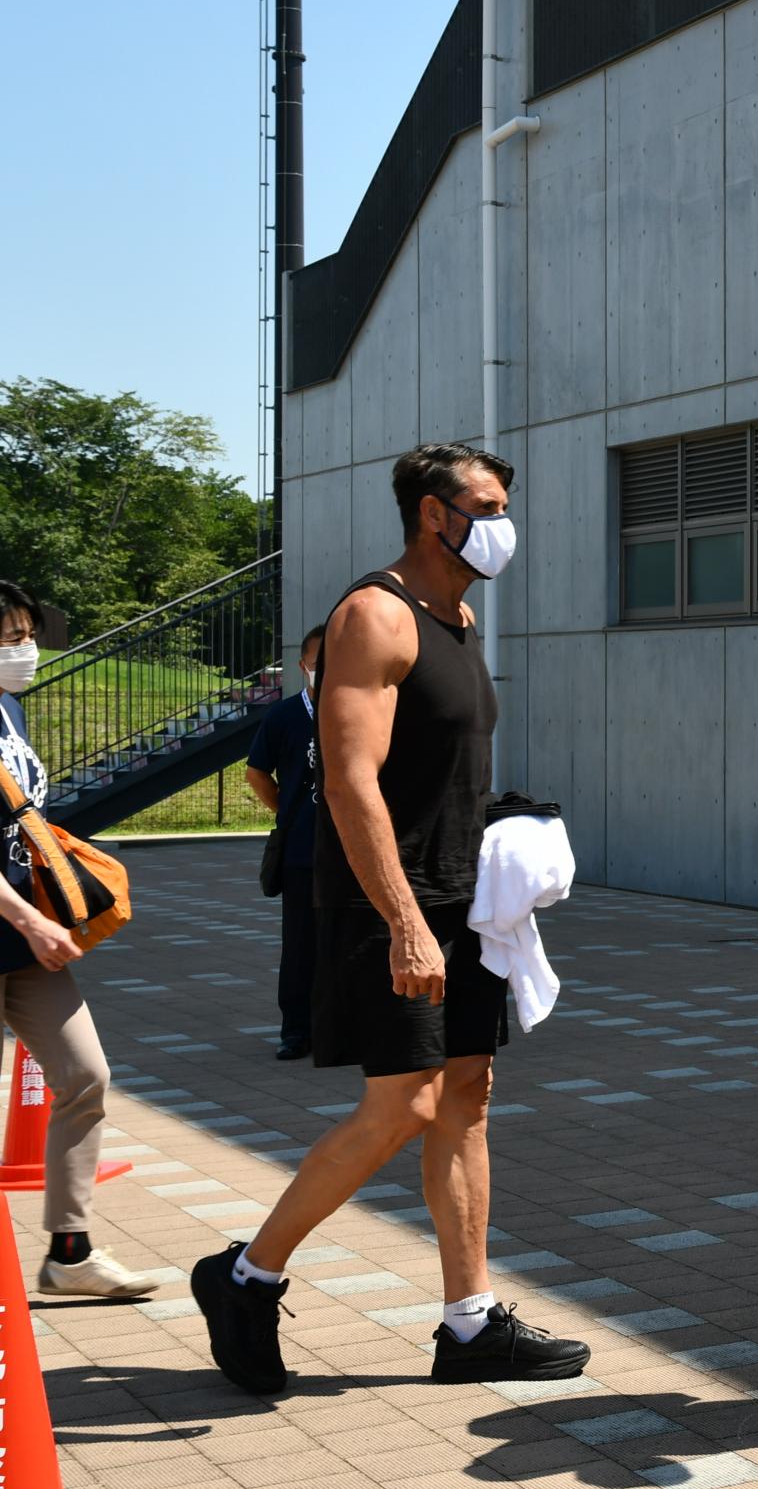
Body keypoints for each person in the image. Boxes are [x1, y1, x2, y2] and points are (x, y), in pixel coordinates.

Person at [193, 443, 589, 1392]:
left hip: (462, 898)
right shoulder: (376, 615)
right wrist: (406, 919)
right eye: (485, 506)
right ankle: (244, 1277)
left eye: (503, 504)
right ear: (431, 513)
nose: (501, 524)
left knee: (466, 1098)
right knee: (402, 1103)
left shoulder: (459, 617)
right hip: (390, 902)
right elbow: (349, 781)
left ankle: (470, 1323)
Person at [0, 580, 157, 1301]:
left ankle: (70, 1249)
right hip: (20, 927)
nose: (23, 649)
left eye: (26, 633)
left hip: (20, 941)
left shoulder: (9, 707)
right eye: (7, 637)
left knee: (84, 1076)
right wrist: (30, 917)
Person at [246, 625, 327, 1062]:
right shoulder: (284, 716)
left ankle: (344, 1025)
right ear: (303, 666)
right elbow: (256, 772)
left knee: (349, 941)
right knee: (300, 945)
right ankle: (296, 1030)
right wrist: (284, 809)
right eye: (319, 662)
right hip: (301, 850)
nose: (327, 670)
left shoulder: (361, 710)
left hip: (353, 850)